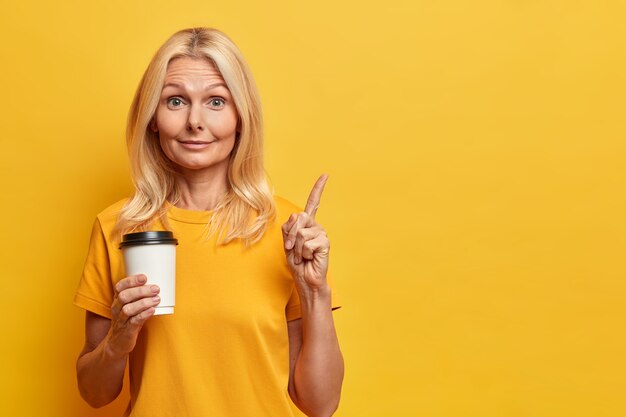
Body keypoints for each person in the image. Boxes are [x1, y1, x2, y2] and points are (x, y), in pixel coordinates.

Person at [74, 27, 344, 417]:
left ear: (240, 117)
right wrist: (118, 339)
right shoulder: (118, 227)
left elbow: (321, 404)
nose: (195, 122)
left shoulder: (288, 229)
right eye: (176, 101)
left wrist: (314, 291)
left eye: (216, 101)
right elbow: (94, 393)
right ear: (153, 117)